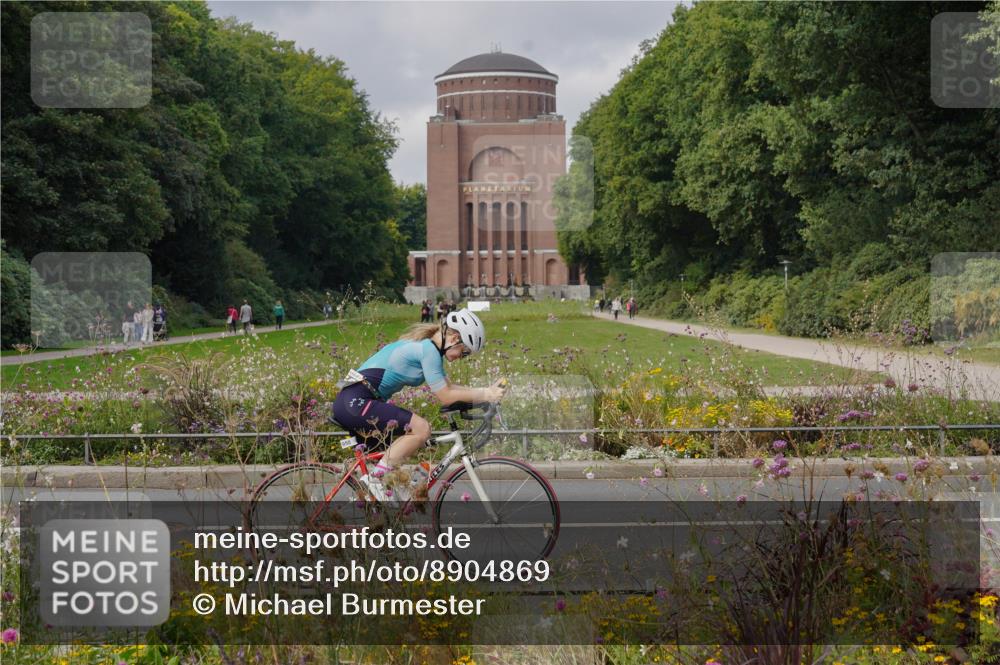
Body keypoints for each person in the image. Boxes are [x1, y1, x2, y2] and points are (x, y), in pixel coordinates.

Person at [331, 309, 507, 500]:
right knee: (421, 429)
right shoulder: (428, 351)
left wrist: (485, 392)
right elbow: (446, 396)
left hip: (355, 401)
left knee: (396, 461)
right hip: (356, 401)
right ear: (455, 338)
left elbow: (448, 386)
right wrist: (485, 394)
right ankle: (375, 480)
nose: (461, 358)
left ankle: (376, 507)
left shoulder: (428, 348)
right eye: (464, 352)